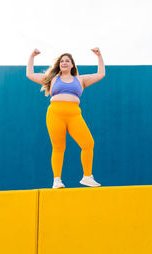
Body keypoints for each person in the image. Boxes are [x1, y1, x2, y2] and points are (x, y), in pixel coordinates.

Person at [26, 48, 105, 188]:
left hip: (74, 115)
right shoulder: (52, 79)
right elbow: (30, 74)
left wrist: (99, 56)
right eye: (62, 61)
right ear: (59, 64)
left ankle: (87, 177)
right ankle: (57, 180)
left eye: (67, 61)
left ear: (72, 65)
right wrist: (32, 56)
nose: (64, 62)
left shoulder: (80, 79)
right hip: (55, 114)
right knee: (58, 147)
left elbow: (101, 74)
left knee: (88, 143)